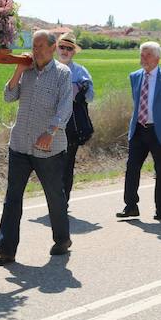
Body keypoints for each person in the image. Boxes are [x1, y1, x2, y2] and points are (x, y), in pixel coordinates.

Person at [0, 30, 73, 267]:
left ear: (52, 47)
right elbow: (8, 96)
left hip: (49, 148)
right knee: (12, 198)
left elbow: (65, 107)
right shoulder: (26, 71)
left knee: (55, 196)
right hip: (20, 145)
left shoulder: (62, 74)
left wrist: (51, 131)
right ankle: (6, 251)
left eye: (39, 46)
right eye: (33, 47)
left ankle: (62, 239)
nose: (35, 51)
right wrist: (18, 69)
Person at [117, 42, 161, 220]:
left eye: (147, 55)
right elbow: (137, 102)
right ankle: (130, 205)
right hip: (139, 129)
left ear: (157, 58)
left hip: (160, 130)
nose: (143, 59)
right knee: (132, 167)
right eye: (142, 55)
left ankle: (160, 209)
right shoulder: (135, 76)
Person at [55, 32, 95, 202]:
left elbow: (91, 96)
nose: (65, 51)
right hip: (48, 123)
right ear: (57, 48)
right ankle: (54, 199)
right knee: (50, 166)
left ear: (74, 52)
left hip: (71, 126)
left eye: (69, 48)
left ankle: (63, 201)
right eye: (62, 47)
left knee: (67, 164)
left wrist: (79, 90)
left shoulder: (80, 71)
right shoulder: (48, 67)